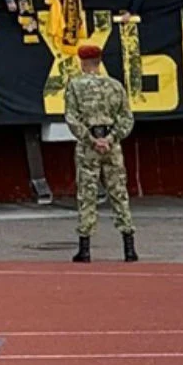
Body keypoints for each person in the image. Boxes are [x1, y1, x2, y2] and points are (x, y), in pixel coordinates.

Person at [64, 43, 136, 263]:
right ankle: (129, 247)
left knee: (87, 195)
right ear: (99, 61)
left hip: (88, 148)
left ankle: (85, 249)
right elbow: (127, 118)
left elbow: (72, 118)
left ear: (82, 62)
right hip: (112, 147)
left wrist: (91, 140)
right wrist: (110, 139)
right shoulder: (115, 86)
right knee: (119, 193)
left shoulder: (75, 85)